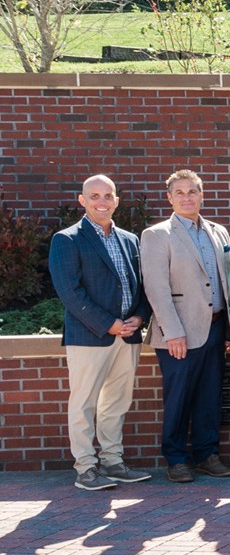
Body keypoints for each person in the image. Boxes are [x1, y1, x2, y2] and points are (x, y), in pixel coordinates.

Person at [49, 175, 152, 491]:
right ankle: (85, 468)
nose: (102, 201)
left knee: (116, 403)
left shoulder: (130, 240)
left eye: (108, 196)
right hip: (90, 334)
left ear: (116, 201)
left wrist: (139, 316)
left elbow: (143, 287)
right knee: (84, 404)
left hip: (127, 335)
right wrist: (108, 323)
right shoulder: (67, 239)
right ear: (82, 200)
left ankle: (113, 461)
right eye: (94, 196)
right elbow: (69, 291)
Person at [141, 170, 230, 482]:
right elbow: (156, 288)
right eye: (179, 192)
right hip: (178, 333)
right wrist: (173, 331)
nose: (186, 197)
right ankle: (176, 458)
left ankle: (207, 455)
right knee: (179, 396)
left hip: (214, 327)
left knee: (210, 396)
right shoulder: (157, 235)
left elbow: (228, 282)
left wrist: (228, 330)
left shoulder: (219, 232)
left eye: (192, 191)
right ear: (169, 198)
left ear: (202, 195)